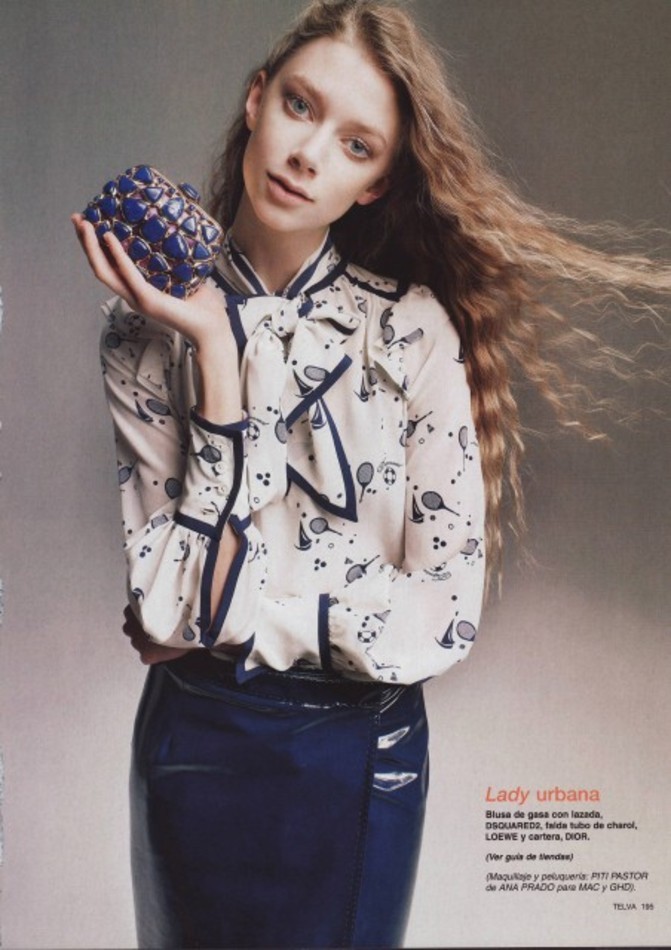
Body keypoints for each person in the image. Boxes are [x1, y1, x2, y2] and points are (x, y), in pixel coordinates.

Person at [71, 1, 669, 947]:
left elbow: (441, 612)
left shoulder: (412, 331)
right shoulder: (144, 324)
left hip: (357, 753)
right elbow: (165, 608)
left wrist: (241, 613)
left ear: (377, 183)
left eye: (355, 145)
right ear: (256, 100)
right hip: (191, 747)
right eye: (299, 106)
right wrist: (216, 359)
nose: (308, 155)